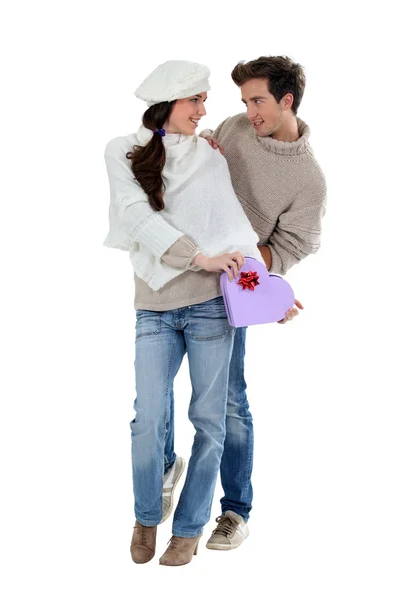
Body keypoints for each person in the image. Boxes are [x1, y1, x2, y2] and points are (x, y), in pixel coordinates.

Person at [103, 60, 290, 566]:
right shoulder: (122, 150)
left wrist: (268, 291)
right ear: (169, 102)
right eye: (196, 100)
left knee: (209, 422)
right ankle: (146, 517)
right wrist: (196, 256)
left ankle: (188, 528)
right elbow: (135, 216)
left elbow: (234, 235)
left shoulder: (210, 155)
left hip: (211, 306)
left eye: (206, 100)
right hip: (156, 307)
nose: (205, 110)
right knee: (148, 420)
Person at [163, 55, 327, 551]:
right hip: (183, 269)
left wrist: (262, 282)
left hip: (231, 293)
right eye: (244, 101)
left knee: (229, 402)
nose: (248, 111)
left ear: (287, 101)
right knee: (155, 388)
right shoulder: (235, 129)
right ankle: (166, 461)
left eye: (258, 101)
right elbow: (195, 163)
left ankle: (235, 511)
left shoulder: (309, 181)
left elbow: (292, 247)